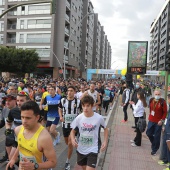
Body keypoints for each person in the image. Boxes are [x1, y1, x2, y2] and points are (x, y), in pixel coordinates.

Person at [6, 101, 57, 170]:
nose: (24, 121)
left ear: (37, 117)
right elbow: (21, 145)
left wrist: (35, 166)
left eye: (28, 118)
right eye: (22, 117)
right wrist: (13, 159)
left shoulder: (44, 138)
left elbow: (53, 162)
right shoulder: (18, 130)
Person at [70, 95, 108, 170]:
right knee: (84, 168)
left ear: (92, 106)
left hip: (93, 148)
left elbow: (106, 129)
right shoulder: (79, 118)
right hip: (81, 148)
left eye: (88, 106)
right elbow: (73, 131)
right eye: (83, 106)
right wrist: (72, 139)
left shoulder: (99, 118)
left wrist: (105, 141)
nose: (85, 108)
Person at [59, 86, 81, 170]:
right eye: (68, 91)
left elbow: (82, 111)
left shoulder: (78, 101)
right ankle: (73, 145)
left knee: (69, 143)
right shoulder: (63, 100)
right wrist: (61, 116)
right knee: (67, 143)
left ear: (74, 92)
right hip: (65, 125)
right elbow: (59, 109)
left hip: (74, 126)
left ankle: (67, 162)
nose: (69, 92)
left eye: (71, 91)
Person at [146, 88, 167, 155]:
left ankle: (154, 149)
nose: (157, 95)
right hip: (151, 120)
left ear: (160, 95)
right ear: (153, 94)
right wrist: (150, 117)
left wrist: (162, 120)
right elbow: (150, 109)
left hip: (159, 122)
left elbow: (165, 112)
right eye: (156, 94)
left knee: (157, 136)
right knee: (148, 133)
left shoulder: (162, 102)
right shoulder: (151, 100)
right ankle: (154, 143)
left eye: (158, 94)